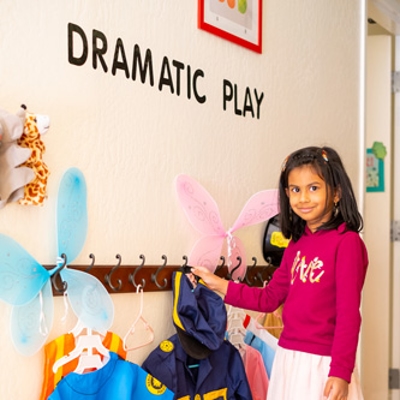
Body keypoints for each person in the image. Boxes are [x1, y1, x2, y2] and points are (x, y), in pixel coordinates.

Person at [192, 146, 368, 400]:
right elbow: (269, 298)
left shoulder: (347, 243)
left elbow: (349, 315)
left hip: (324, 364)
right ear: (287, 194)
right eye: (295, 190)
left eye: (314, 188)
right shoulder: (297, 244)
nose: (303, 198)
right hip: (288, 359)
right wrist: (219, 284)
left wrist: (341, 372)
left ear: (337, 192)